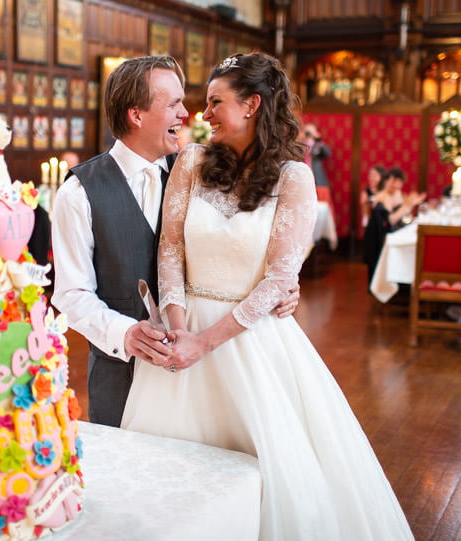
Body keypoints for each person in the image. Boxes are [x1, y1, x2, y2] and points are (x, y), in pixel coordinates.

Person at [121, 53, 413, 540]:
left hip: (249, 336)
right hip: (182, 327)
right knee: (166, 473)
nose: (203, 114)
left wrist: (206, 342)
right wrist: (178, 328)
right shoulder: (190, 161)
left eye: (216, 102)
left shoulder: (294, 177)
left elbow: (280, 280)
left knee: (263, 471)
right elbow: (170, 246)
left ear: (253, 104)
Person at [51, 56, 300, 428]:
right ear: (136, 115)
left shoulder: (202, 174)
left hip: (207, 374)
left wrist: (285, 287)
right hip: (122, 377)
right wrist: (126, 333)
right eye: (173, 104)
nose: (188, 114)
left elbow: (244, 244)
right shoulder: (78, 193)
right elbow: (70, 296)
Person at [362, 167, 425, 283]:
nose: (394, 185)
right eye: (391, 181)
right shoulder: (382, 197)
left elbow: (404, 216)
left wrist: (409, 205)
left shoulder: (399, 194)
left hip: (393, 232)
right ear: (385, 181)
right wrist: (407, 205)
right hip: (379, 237)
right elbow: (390, 220)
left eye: (398, 182)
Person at [302, 122, 331, 187]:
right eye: (306, 132)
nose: (308, 134)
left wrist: (318, 140)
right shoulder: (300, 145)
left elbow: (327, 153)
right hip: (303, 177)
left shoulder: (318, 144)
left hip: (316, 178)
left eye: (310, 132)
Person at [360, 164, 387, 230]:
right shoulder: (366, 193)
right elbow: (365, 215)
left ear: (382, 177)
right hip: (372, 225)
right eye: (370, 175)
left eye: (374, 175)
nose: (371, 178)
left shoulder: (386, 192)